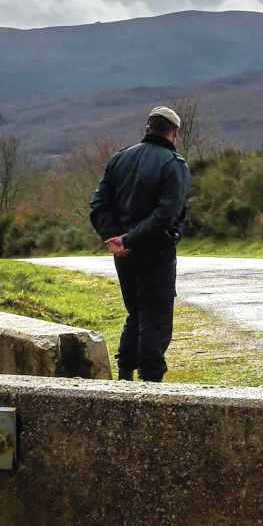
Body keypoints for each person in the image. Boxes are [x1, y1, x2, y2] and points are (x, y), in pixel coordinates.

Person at [89, 107, 191, 381]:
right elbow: (166, 215)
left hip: (123, 256)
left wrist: (117, 241)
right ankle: (150, 387)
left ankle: (124, 378)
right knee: (155, 321)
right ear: (174, 133)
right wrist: (131, 240)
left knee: (135, 314)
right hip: (156, 252)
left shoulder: (118, 159)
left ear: (147, 128)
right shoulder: (173, 165)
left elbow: (98, 206)